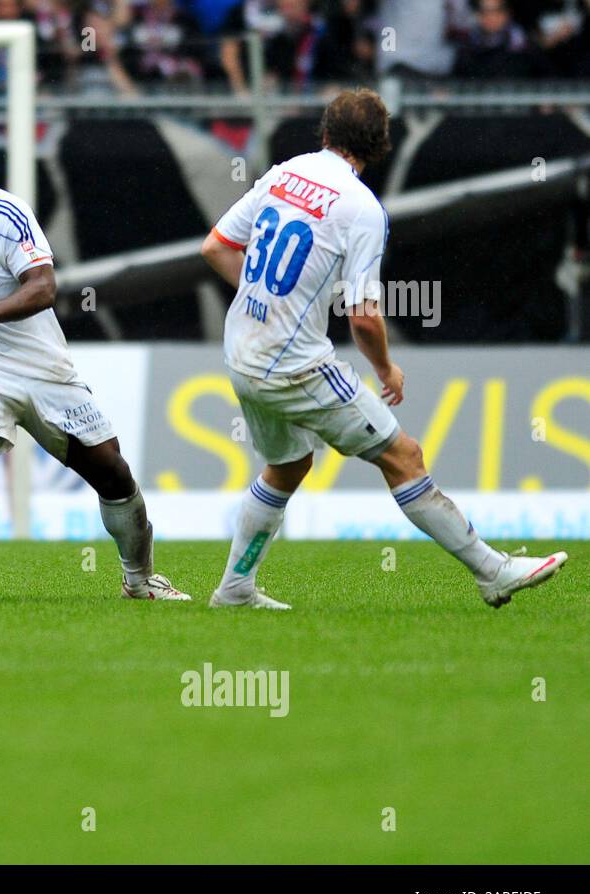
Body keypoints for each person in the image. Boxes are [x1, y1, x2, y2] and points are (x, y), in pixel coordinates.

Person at [199, 88, 568, 609]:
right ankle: (493, 572)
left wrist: (268, 300)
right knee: (404, 455)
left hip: (242, 352)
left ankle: (235, 590)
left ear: (325, 133)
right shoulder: (361, 209)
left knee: (287, 466)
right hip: (295, 365)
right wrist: (387, 369)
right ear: (379, 148)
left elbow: (215, 247)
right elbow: (364, 315)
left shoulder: (283, 172)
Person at [0, 131, 190, 601]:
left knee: (112, 472)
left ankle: (139, 579)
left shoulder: (4, 215)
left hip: (39, 364)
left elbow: (44, 288)